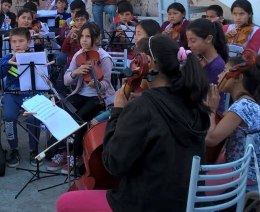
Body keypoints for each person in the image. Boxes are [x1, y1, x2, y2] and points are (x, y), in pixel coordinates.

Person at [56, 34, 211, 211]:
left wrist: (117, 112)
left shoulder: (142, 108)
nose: (132, 66)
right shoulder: (192, 100)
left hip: (146, 204)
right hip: (186, 201)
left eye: (136, 60)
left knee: (64, 202)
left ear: (149, 62)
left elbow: (114, 164)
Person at [205, 52, 260, 185]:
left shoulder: (242, 106)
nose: (219, 76)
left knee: (192, 179)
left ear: (238, 77)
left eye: (224, 71)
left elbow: (211, 140)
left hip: (245, 174)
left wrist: (211, 109)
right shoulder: (249, 102)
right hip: (249, 168)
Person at [58, 22, 115, 174]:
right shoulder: (78, 55)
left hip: (100, 98)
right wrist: (75, 73)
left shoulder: (104, 58)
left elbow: (107, 85)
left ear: (97, 38)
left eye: (88, 37)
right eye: (82, 36)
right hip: (80, 94)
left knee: (78, 119)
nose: (83, 40)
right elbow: (66, 80)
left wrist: (95, 84)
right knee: (63, 111)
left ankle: (74, 156)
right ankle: (63, 150)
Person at [0, 27, 43, 167]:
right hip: (12, 94)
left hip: (31, 94)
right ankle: (14, 149)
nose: (17, 44)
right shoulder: (7, 58)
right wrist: (11, 61)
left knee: (33, 117)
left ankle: (34, 150)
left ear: (28, 43)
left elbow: (46, 73)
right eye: (14, 41)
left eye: (21, 41)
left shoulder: (35, 57)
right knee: (9, 117)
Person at [187, 18, 229, 114]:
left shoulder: (217, 66)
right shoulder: (200, 58)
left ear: (209, 39)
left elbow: (208, 99)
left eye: (193, 41)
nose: (189, 45)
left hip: (209, 114)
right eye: (188, 40)